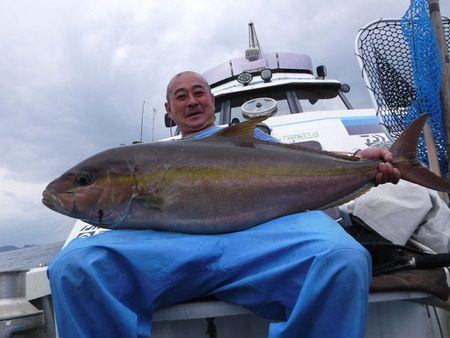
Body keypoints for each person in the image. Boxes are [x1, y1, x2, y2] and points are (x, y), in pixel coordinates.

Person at [48, 71, 400, 338]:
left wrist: (361, 162)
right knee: (74, 266)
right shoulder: (153, 153)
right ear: (170, 110)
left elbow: (302, 166)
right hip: (168, 246)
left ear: (212, 101)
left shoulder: (254, 140)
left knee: (343, 257)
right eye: (181, 97)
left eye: (199, 93)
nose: (192, 101)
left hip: (261, 237)